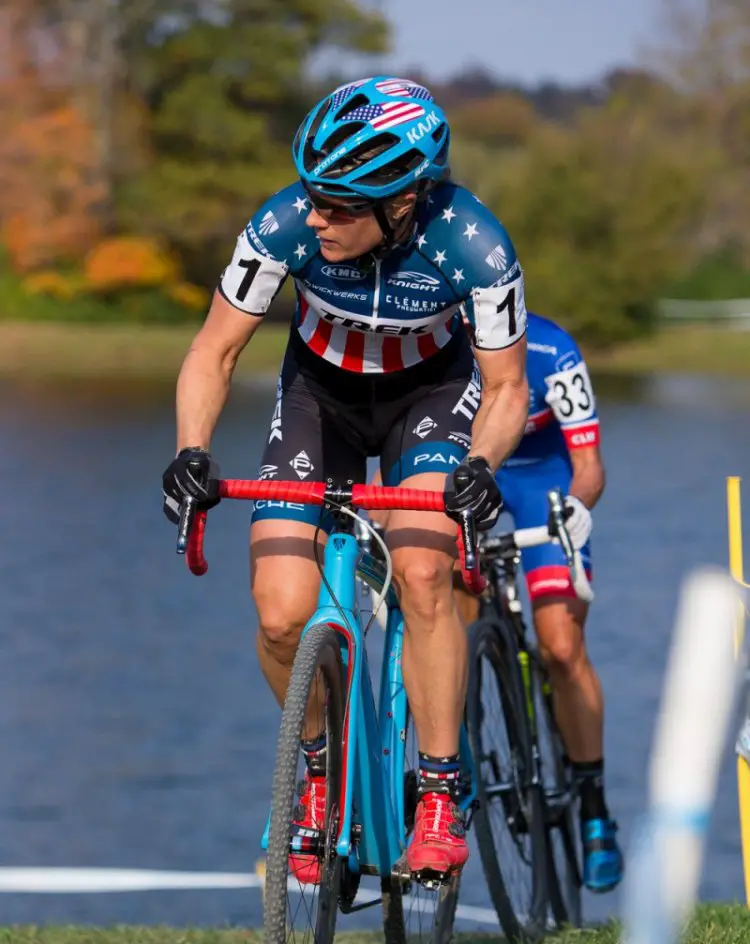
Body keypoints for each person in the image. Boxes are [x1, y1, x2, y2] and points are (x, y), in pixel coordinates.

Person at [161, 76, 529, 883]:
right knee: (280, 608)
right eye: (313, 197)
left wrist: (479, 468)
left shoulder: (474, 243)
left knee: (428, 568)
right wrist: (192, 449)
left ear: (401, 201)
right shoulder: (284, 222)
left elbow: (506, 389)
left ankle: (438, 789)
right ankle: (319, 772)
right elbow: (213, 351)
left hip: (430, 399)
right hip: (319, 397)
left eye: (339, 205)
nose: (317, 215)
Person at [458, 310, 623, 893]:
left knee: (559, 644)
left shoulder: (553, 350)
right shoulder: (437, 343)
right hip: (471, 475)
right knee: (447, 622)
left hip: (546, 480)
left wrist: (574, 509)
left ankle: (594, 806)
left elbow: (589, 467)